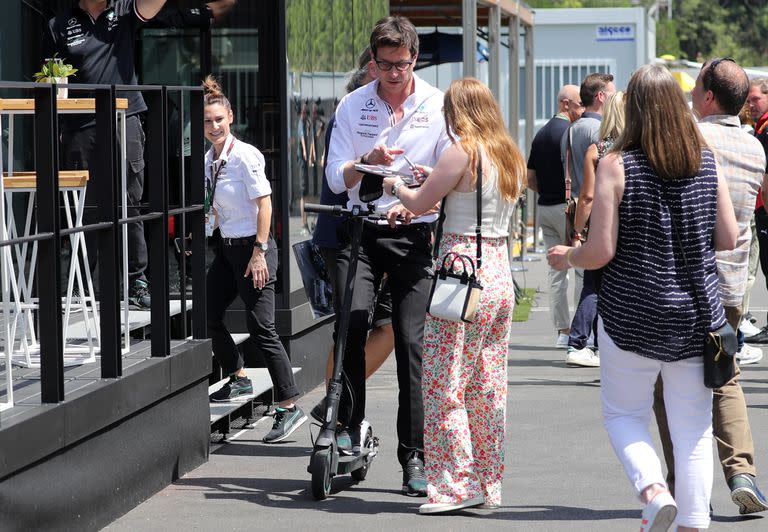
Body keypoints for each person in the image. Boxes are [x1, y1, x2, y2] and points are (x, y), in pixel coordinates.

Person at [549, 64, 738, 531]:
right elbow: (729, 236)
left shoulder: (617, 163)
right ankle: (693, 521)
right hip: (696, 315)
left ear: (632, 109)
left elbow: (601, 251)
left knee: (623, 415)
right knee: (694, 428)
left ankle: (653, 491)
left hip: (631, 314)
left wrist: (568, 257)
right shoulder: (705, 158)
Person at [383, 77, 524, 514]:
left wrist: (394, 186)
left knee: (444, 381)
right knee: (487, 383)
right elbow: (461, 192)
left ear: (456, 112)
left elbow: (422, 202)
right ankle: (488, 481)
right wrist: (434, 182)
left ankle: (453, 484)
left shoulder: (462, 149)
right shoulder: (507, 153)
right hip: (499, 271)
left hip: (461, 271)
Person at [325, 15, 451, 497]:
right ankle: (348, 428)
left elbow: (451, 171)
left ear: (414, 58)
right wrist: (366, 163)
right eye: (383, 64)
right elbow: (336, 177)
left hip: (414, 234)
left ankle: (414, 455)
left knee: (411, 343)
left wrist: (422, 195)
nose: (392, 73)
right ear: (373, 61)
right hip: (361, 231)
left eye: (400, 64)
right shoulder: (353, 105)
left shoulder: (438, 105)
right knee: (352, 324)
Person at [653, 57, 768, 516]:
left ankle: (683, 483)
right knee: (726, 375)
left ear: (706, 96)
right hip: (733, 283)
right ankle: (743, 473)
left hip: (685, 281)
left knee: (669, 382)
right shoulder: (754, 147)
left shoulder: (692, 138)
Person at [42, 0, 174, 309]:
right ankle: (84, 285)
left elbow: (152, 5)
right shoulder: (57, 24)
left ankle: (136, 281)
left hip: (123, 117)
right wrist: (57, 94)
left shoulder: (124, 10)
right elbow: (51, 76)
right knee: (84, 206)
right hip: (79, 124)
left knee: (128, 201)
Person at [202, 76, 307, 443]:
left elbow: (265, 203)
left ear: (230, 117)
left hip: (254, 250)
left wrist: (259, 252)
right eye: (207, 121)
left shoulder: (245, 155)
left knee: (262, 327)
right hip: (228, 249)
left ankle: (290, 406)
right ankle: (239, 377)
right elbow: (219, 205)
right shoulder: (209, 159)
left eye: (219, 119)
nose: (214, 126)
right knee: (208, 314)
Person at [309, 47, 395, 428]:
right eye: (375, 82)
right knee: (351, 326)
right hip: (346, 232)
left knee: (377, 327)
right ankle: (336, 404)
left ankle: (336, 400)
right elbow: (338, 180)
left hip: (384, 233)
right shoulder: (347, 117)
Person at [560, 72, 616, 367]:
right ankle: (581, 340)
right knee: (595, 282)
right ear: (601, 96)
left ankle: (585, 340)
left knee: (590, 280)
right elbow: (592, 191)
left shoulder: (572, 128)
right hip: (596, 211)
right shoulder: (600, 136)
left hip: (579, 207)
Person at [527, 85, 583, 349]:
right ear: (565, 104)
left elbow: (529, 178)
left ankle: (562, 330)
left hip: (544, 207)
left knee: (556, 271)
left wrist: (546, 191)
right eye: (579, 104)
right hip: (569, 208)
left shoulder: (540, 135)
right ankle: (582, 329)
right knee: (581, 267)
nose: (582, 110)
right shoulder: (571, 133)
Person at [743, 77, 768, 344]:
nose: (750, 105)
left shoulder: (766, 127)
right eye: (748, 100)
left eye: (755, 99)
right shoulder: (760, 126)